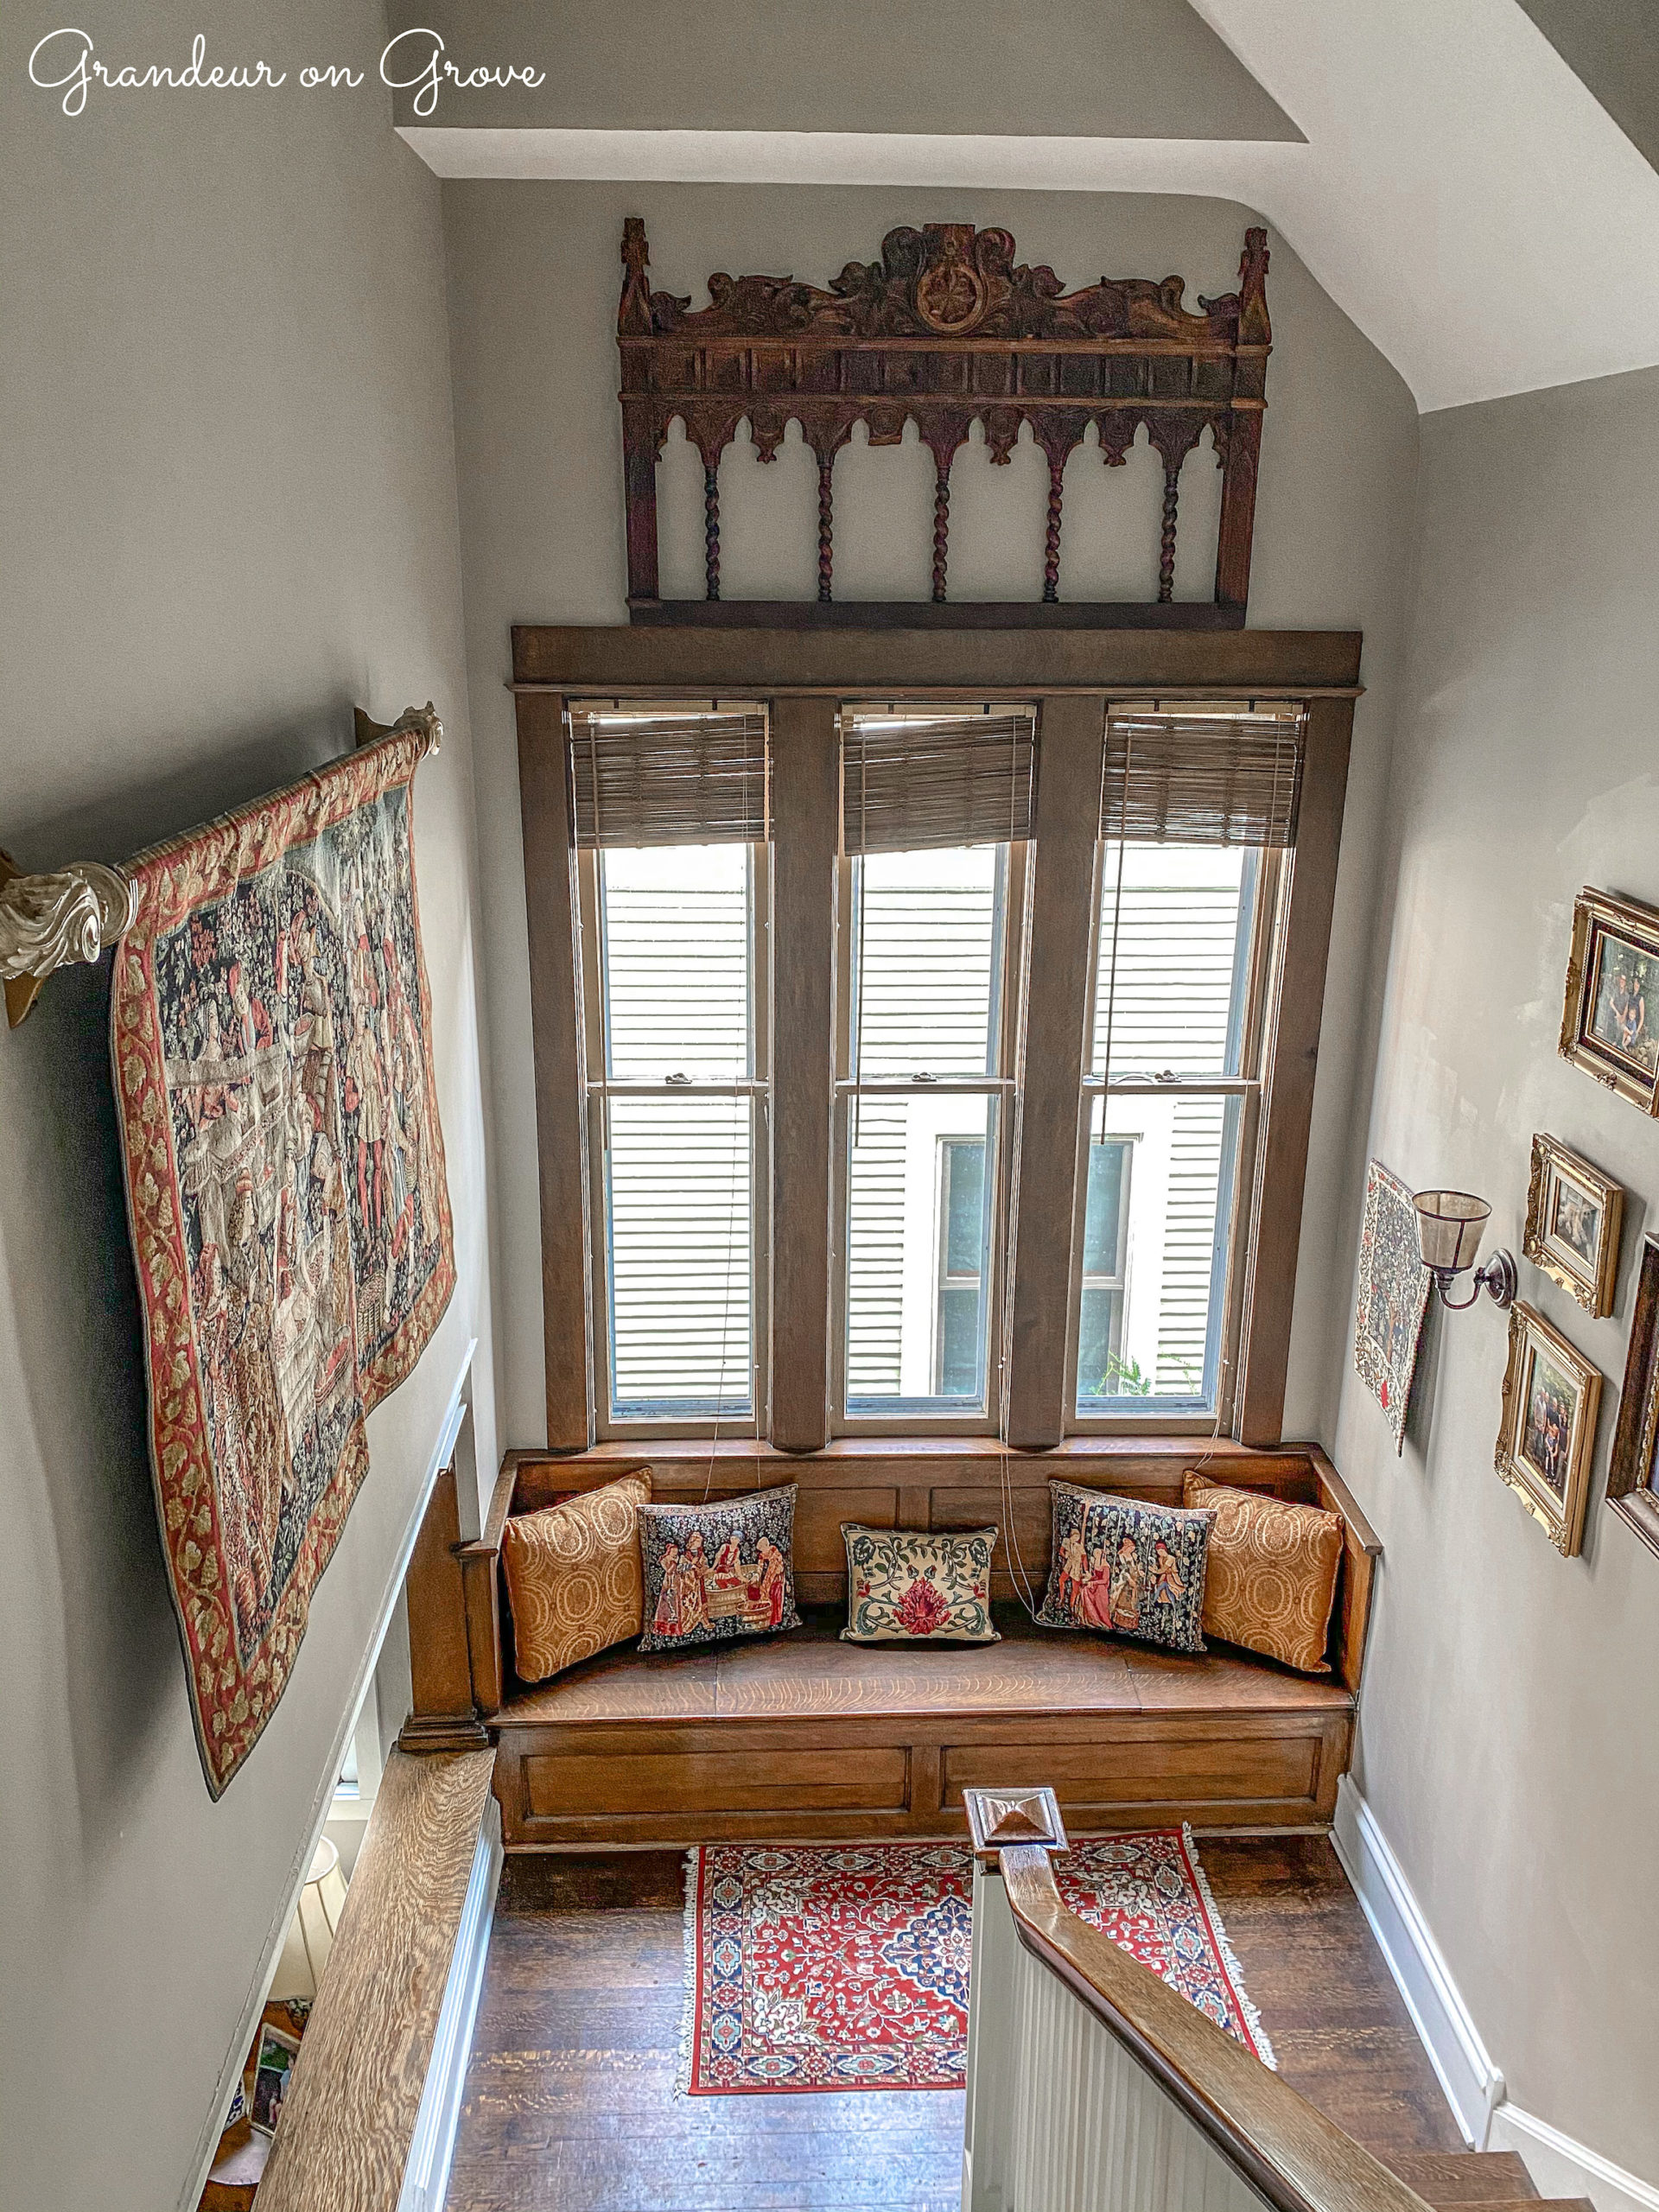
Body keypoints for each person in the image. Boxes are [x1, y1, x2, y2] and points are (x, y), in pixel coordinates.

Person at [1108, 1534, 1145, 1633]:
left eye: (1132, 1546)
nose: (1131, 1548)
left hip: (1132, 1577)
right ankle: (1119, 1622)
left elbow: (1134, 1568)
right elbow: (1124, 1569)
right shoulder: (1121, 1555)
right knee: (1121, 1597)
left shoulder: (1132, 1556)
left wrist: (1138, 1573)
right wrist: (1129, 1579)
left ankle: (1129, 1623)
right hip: (1124, 1578)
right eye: (1129, 1546)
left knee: (1133, 1596)